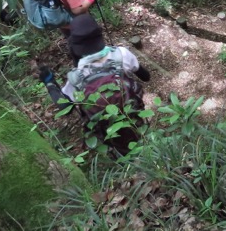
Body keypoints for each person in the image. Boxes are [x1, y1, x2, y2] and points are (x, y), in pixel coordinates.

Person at [46, 13, 151, 154]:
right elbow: (146, 77)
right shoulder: (122, 54)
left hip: (106, 127)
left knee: (117, 145)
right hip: (131, 112)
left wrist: (50, 83)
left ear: (75, 47)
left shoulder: (76, 76)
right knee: (138, 130)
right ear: (100, 37)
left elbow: (65, 106)